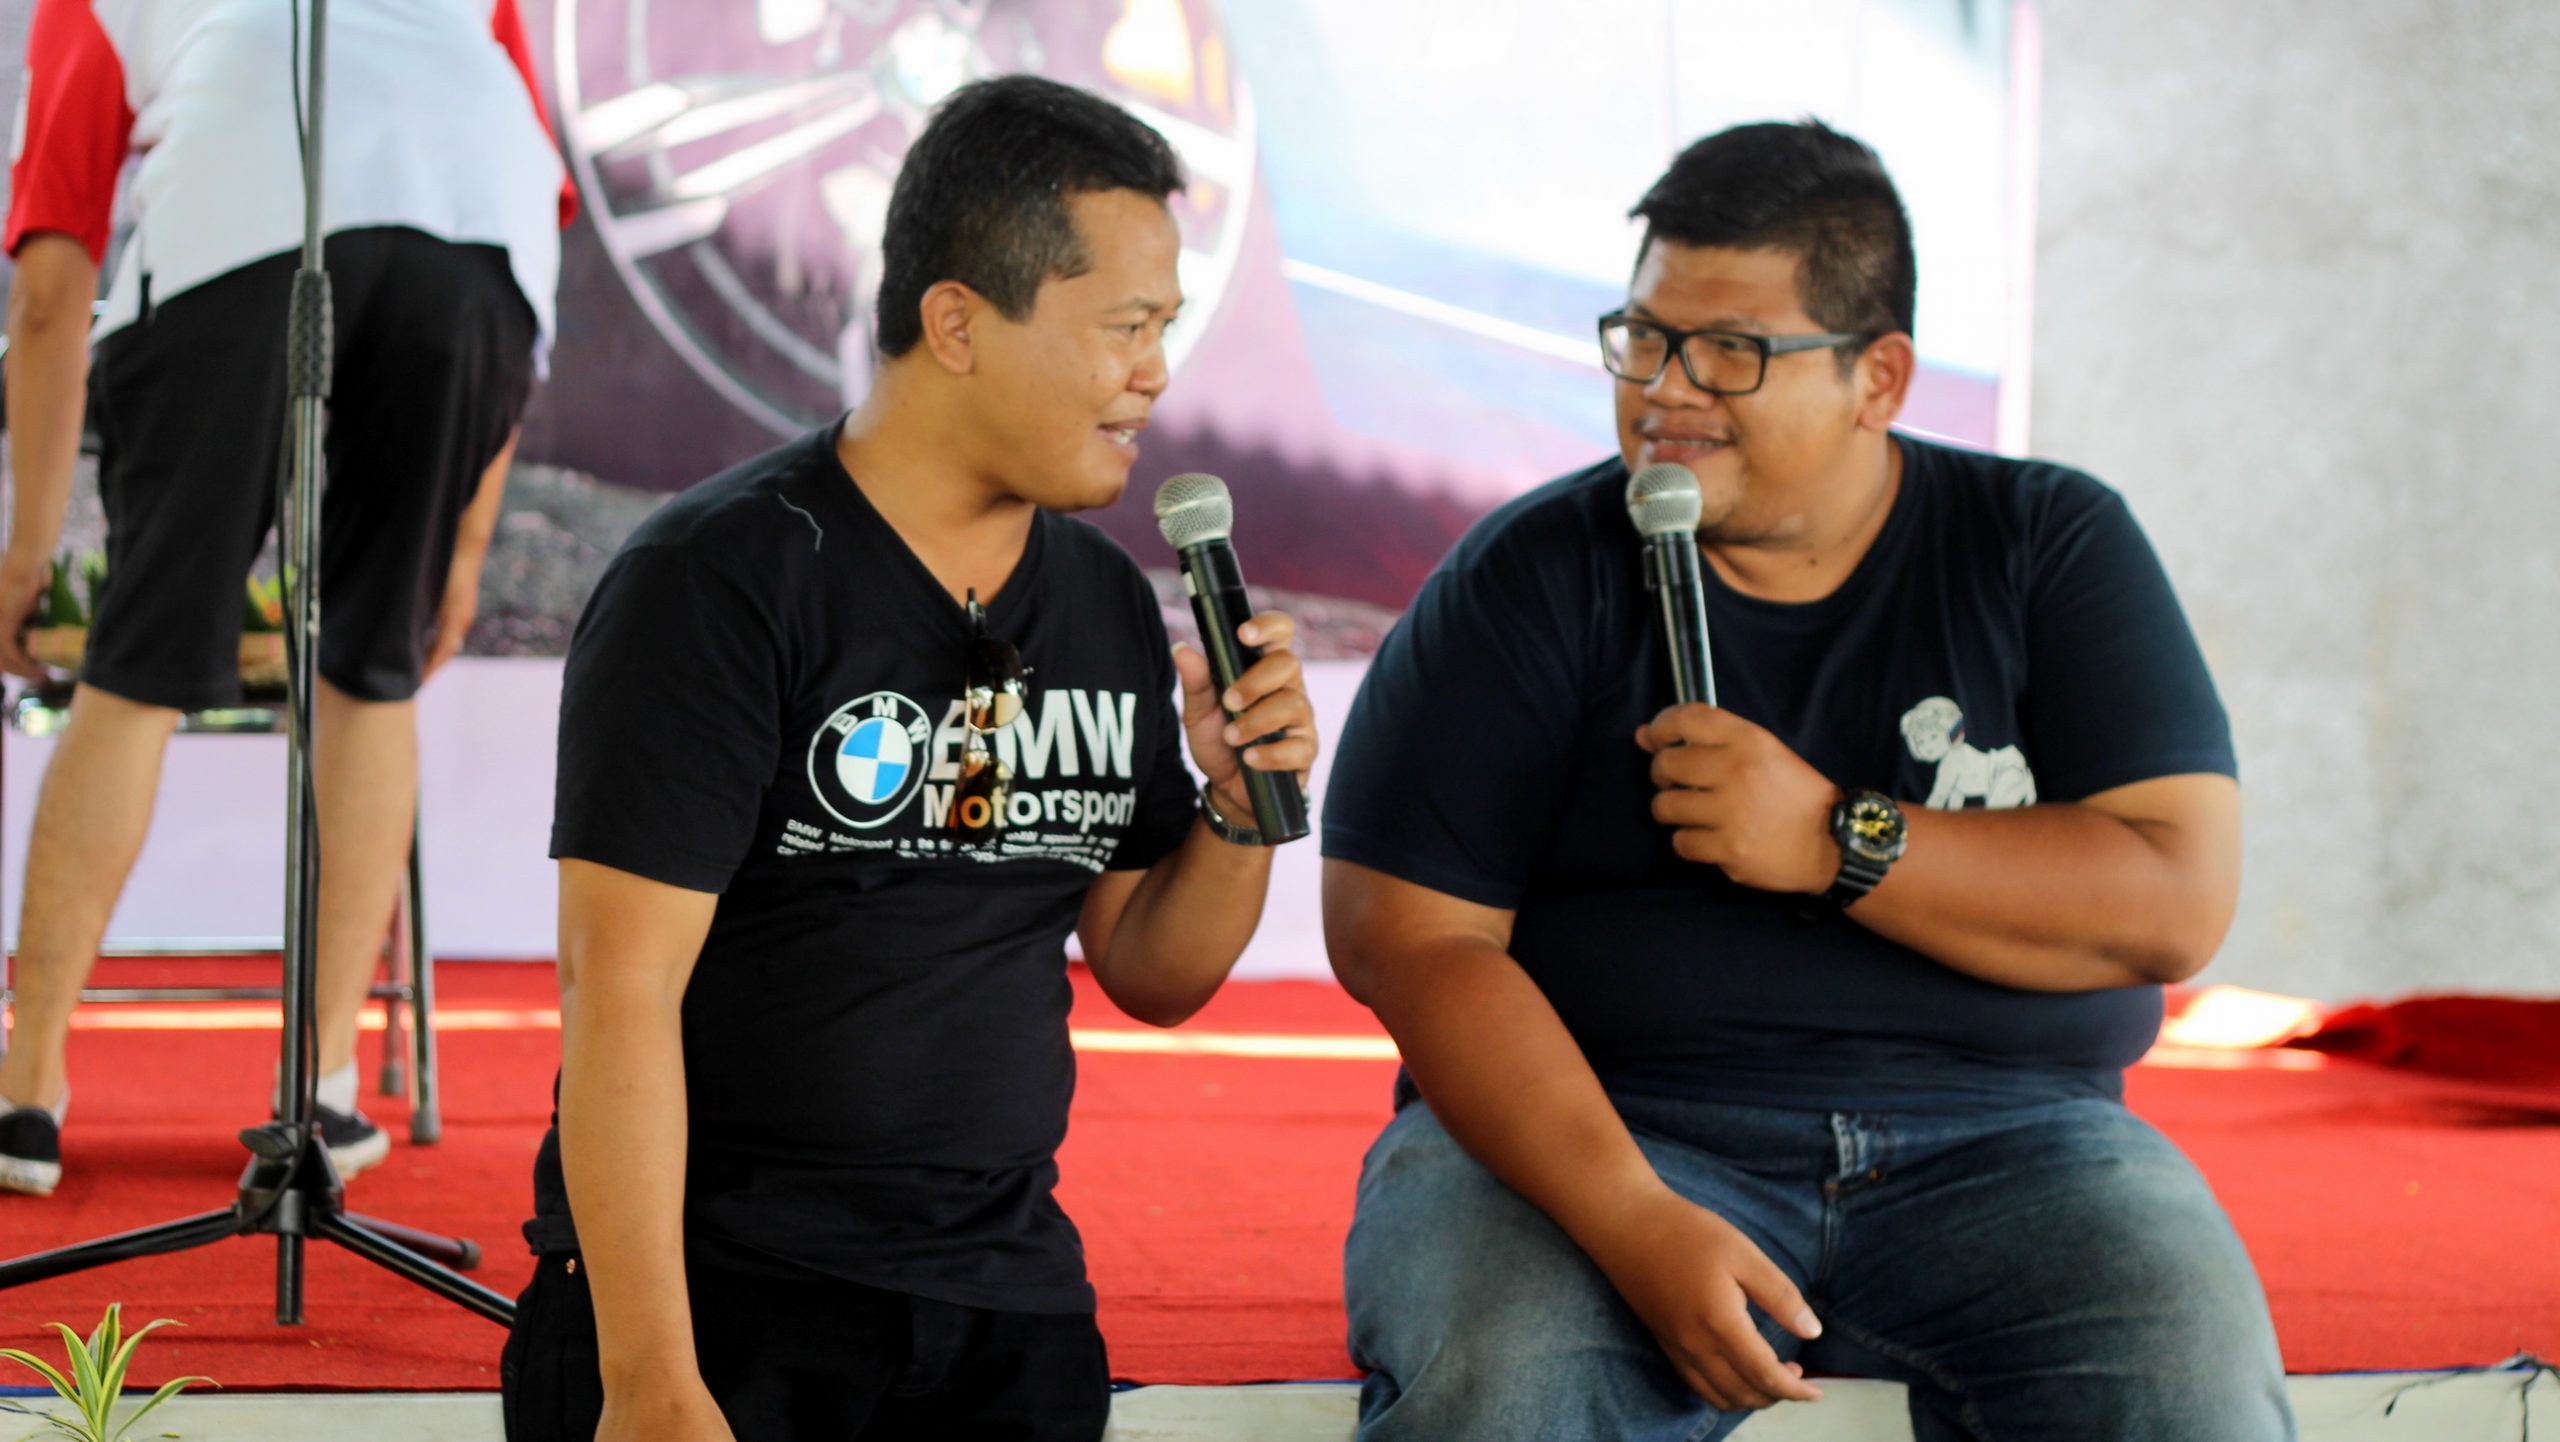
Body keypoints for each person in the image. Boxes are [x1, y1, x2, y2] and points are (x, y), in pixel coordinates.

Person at [1319, 120, 2295, 1442]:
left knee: (2190, 1397)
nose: (1666, 391)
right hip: (1609, 1128)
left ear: (1876, 377)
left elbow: (2175, 895)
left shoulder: (2043, 543)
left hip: (2017, 1143)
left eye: (1731, 350)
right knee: (1509, 1386)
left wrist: (1841, 839)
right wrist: (1632, 1214)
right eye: (1644, 337)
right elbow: (1405, 935)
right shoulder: (1528, 576)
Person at [497, 75, 1319, 1442]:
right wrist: (649, 1377)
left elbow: (1152, 968)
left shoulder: (1106, 601)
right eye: (1125, 326)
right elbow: (617, 989)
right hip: (729, 1299)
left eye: (1164, 328)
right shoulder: (718, 578)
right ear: (957, 322)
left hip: (1006, 1301)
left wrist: (1234, 810)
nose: (1156, 373)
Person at [0, 0, 569, 1196]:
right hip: (481, 248)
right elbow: (509, 176)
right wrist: (459, 549)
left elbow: (52, 288)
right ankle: (321, 1084)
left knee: (136, 665)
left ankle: (24, 1094)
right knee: (373, 670)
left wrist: (27, 551)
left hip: (243, 210)